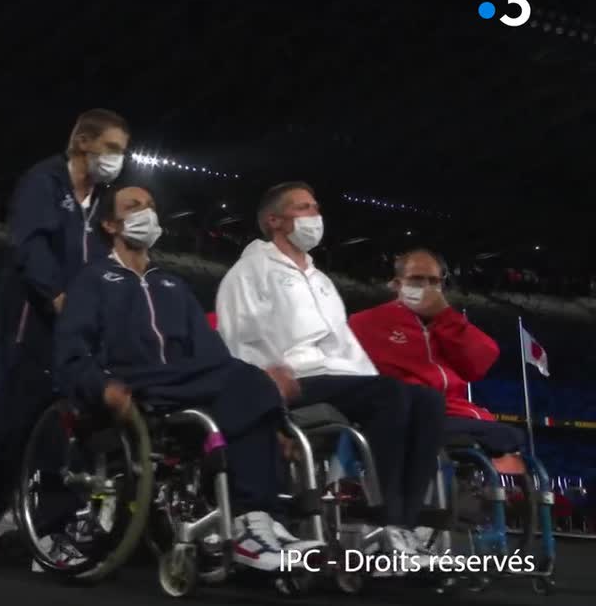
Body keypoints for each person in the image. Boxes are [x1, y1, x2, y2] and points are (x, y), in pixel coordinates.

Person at [54, 185, 324, 570]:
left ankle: (262, 522)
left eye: (149, 205)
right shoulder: (92, 280)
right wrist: (102, 386)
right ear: (111, 224)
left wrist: (272, 416)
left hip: (185, 381)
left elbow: (211, 355)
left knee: (251, 382)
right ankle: (250, 524)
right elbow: (72, 352)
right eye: (134, 207)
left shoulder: (173, 285)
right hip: (133, 380)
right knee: (250, 383)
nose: (145, 212)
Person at [215, 182, 445, 558]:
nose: (315, 216)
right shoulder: (250, 271)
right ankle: (383, 521)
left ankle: (402, 524)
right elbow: (242, 334)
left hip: (337, 376)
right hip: (293, 377)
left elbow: (345, 344)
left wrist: (369, 379)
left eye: (315, 207)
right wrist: (269, 382)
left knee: (426, 401)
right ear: (274, 220)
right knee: (393, 395)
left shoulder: (321, 281)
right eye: (304, 208)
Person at [0, 109, 130, 556]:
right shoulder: (44, 181)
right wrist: (57, 293)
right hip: (28, 319)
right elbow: (30, 244)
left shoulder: (101, 201)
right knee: (7, 421)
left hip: (73, 330)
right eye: (112, 149)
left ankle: (50, 525)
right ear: (84, 141)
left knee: (64, 425)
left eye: (122, 152)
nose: (118, 160)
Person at [349, 249, 523, 460]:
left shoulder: (449, 322)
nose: (426, 287)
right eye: (416, 279)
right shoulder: (365, 323)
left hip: (456, 412)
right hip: (407, 413)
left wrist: (444, 316)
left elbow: (480, 364)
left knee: (510, 437)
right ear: (397, 284)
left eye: (433, 281)